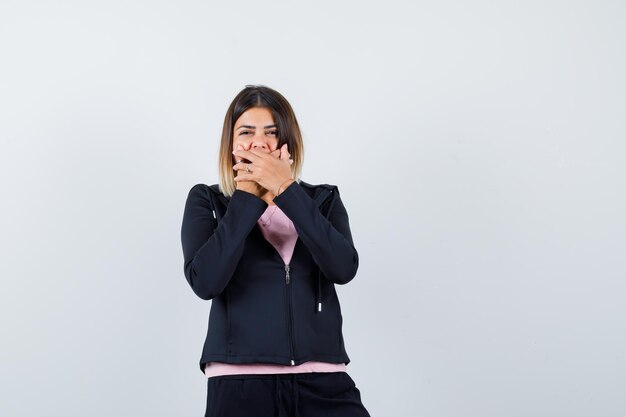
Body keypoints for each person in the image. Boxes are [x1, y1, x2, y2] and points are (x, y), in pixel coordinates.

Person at [181, 85, 371, 417]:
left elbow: (343, 268)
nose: (259, 143)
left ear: (288, 143)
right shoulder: (208, 201)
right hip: (239, 386)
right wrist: (246, 200)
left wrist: (286, 190)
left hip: (323, 381)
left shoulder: (322, 200)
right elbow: (206, 281)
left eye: (271, 132)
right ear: (230, 145)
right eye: (246, 132)